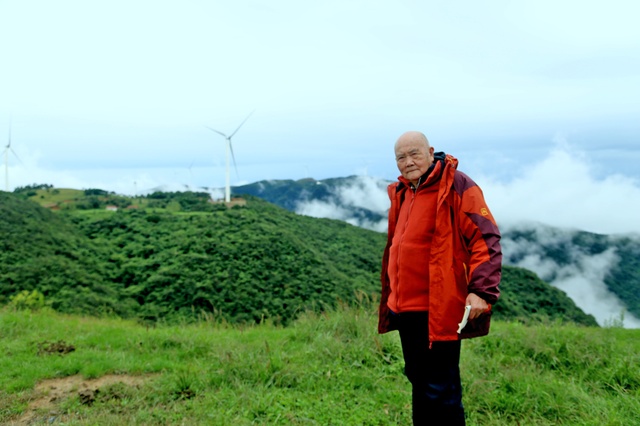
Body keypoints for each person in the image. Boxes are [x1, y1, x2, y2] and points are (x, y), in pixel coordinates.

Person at [378, 131, 502, 425]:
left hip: (438, 306)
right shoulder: (402, 191)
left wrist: (482, 291)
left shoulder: (457, 185)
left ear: (430, 151)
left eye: (414, 154)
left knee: (440, 390)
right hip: (405, 307)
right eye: (401, 157)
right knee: (420, 382)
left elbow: (485, 236)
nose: (408, 162)